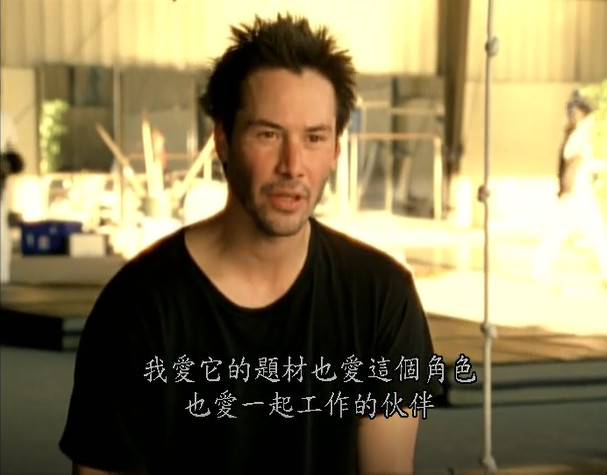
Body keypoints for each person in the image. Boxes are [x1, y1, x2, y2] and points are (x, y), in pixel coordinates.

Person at [59, 14, 443, 474]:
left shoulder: (381, 297)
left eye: (314, 138)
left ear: (335, 151)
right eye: (268, 134)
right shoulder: (138, 306)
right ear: (223, 139)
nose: (292, 165)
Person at [533, 92, 607, 288]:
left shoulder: (578, 133)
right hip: (577, 195)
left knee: (587, 233)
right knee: (577, 233)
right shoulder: (579, 134)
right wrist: (566, 190)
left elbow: (582, 164)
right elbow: (573, 165)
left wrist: (606, 166)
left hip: (578, 193)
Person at [0, 110, 24, 284]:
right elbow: (14, 151)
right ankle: (2, 275)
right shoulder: (5, 119)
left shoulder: (5, 119)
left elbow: (14, 154)